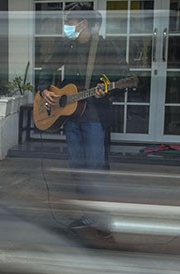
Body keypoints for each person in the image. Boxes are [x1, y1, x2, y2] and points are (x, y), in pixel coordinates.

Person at [36, 3, 127, 234]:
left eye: (69, 23)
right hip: (71, 117)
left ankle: (102, 219)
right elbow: (47, 67)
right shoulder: (67, 45)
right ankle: (88, 215)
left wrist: (108, 89)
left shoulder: (105, 47)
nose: (65, 27)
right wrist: (44, 89)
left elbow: (125, 78)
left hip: (95, 117)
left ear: (83, 24)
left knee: (95, 168)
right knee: (77, 167)